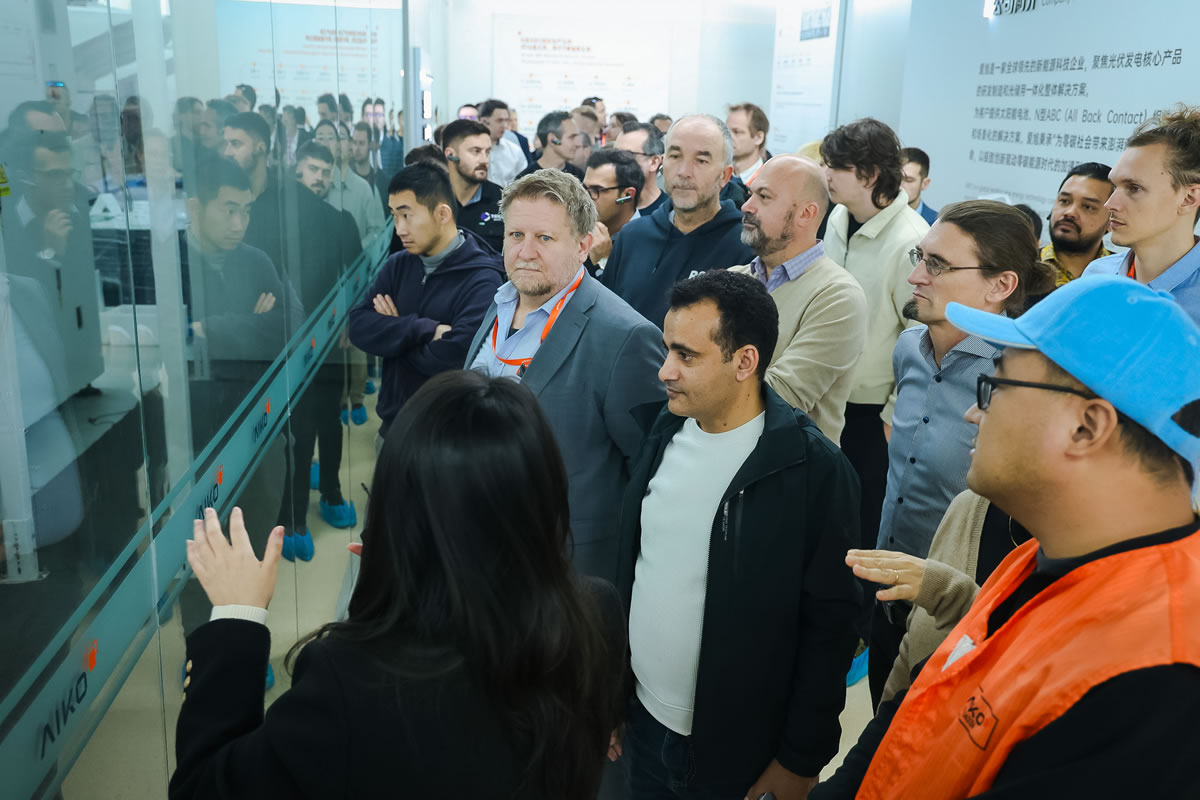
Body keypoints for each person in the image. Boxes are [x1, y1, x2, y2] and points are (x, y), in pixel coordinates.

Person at [814, 275, 1200, 799]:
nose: (974, 412)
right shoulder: (1040, 559)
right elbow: (930, 697)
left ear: (1087, 427)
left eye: (994, 387)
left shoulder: (1157, 682)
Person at [170, 370, 629, 800]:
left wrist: (237, 617)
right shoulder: (595, 615)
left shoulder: (346, 683)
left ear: (398, 510)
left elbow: (203, 786)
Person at [615, 269, 862, 800]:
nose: (664, 371)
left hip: (738, 752)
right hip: (643, 724)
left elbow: (831, 626)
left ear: (744, 361)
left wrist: (799, 759)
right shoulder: (662, 432)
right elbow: (632, 570)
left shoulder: (811, 470)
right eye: (667, 350)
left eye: (686, 356)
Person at [866, 200, 1054, 707]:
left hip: (961, 612)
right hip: (888, 589)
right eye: (919, 257)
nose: (915, 277)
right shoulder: (909, 347)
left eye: (938, 265)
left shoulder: (1021, 377)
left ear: (1001, 285)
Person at [464, 169, 665, 581]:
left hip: (563, 567)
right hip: (479, 547)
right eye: (516, 235)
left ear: (583, 245)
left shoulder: (625, 337)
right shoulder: (501, 302)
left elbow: (649, 469)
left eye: (545, 238)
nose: (525, 252)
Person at [175, 156, 299, 638]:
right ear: (194, 207)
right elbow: (168, 342)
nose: (238, 223)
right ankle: (201, 649)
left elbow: (286, 327)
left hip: (257, 426)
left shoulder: (255, 259)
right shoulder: (167, 264)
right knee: (200, 547)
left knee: (254, 539)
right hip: (194, 432)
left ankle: (245, 638)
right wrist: (249, 324)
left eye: (245, 210)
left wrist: (211, 328)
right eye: (228, 210)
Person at [225, 112, 354, 558]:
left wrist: (341, 320)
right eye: (226, 143)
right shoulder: (244, 208)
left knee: (319, 419)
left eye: (237, 143)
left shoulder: (315, 212)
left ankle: (321, 498)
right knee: (287, 428)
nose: (229, 151)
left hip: (317, 335)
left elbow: (340, 273)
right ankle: (290, 513)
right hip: (266, 343)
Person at [822, 117, 930, 559]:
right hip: (825, 397)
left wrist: (892, 414)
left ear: (868, 175)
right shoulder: (838, 216)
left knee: (859, 524)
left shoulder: (911, 239)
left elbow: (922, 337)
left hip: (870, 415)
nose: (826, 174)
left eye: (836, 166)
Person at [349, 163, 504, 446]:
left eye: (407, 216)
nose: (399, 229)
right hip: (393, 431)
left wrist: (393, 337)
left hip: (448, 440)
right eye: (394, 216)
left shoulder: (482, 279)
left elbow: (456, 360)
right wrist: (424, 329)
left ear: (442, 213)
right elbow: (358, 326)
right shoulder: (398, 265)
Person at [729, 155, 867, 445]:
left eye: (764, 196)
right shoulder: (733, 278)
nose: (746, 206)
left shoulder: (838, 296)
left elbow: (779, 398)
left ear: (806, 214)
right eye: (750, 194)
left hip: (789, 466)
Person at [601, 114, 754, 328]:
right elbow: (604, 319)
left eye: (701, 160)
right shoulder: (632, 236)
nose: (683, 172)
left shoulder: (744, 249)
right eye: (675, 156)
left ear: (725, 176)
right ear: (663, 163)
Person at [1083, 105, 1200, 323]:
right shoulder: (1097, 276)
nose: (1110, 204)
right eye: (1115, 187)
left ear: (1189, 198)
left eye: (1134, 188)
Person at [438, 119, 505, 253]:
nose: (484, 160)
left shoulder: (503, 200)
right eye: (476, 151)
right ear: (450, 155)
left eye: (487, 152)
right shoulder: (428, 198)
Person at [1041, 162, 1114, 285]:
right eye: (1065, 201)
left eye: (1088, 207)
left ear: (1111, 221)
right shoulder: (1020, 267)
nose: (1070, 212)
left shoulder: (1123, 274)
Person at [583, 148, 644, 272]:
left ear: (627, 195)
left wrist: (604, 261)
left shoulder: (647, 241)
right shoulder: (581, 232)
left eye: (597, 190)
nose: (587, 198)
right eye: (584, 189)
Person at [614, 121, 667, 215]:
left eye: (626, 155)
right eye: (615, 154)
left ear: (654, 162)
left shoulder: (671, 214)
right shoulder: (613, 205)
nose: (616, 161)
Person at [517, 111, 584, 181]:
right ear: (552, 139)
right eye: (572, 137)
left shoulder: (579, 177)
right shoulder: (525, 181)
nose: (577, 144)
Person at [478, 98, 526, 186]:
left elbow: (524, 181)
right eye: (499, 120)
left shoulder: (514, 150)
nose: (504, 125)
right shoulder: (471, 150)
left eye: (506, 120)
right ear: (483, 121)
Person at [727, 102, 769, 185]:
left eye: (737, 132)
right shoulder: (719, 176)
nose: (728, 137)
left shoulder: (770, 182)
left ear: (759, 138)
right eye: (726, 131)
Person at [900, 147, 937, 225]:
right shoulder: (877, 216)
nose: (900, 186)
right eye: (896, 178)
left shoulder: (937, 224)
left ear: (925, 184)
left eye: (909, 180)